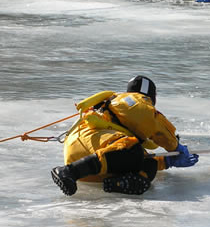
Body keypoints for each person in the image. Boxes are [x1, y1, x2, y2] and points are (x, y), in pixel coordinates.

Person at [51, 75, 199, 196]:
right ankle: (68, 171)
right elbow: (152, 122)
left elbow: (132, 155)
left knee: (148, 162)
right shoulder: (132, 101)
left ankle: (119, 183)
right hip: (89, 143)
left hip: (89, 162)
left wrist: (168, 161)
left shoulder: (119, 112)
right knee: (132, 150)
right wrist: (175, 146)